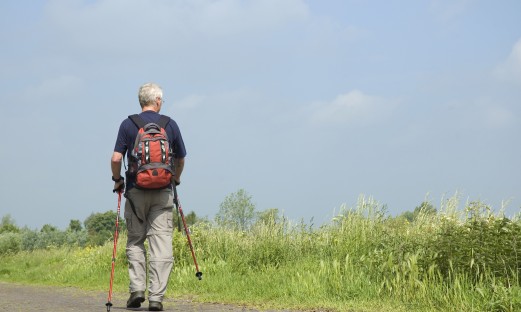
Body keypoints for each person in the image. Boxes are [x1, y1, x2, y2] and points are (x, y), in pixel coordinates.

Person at [110, 82, 186, 311]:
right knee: (161, 244)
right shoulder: (169, 125)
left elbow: (116, 159)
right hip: (163, 193)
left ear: (141, 101)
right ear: (158, 101)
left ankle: (137, 290)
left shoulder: (128, 124)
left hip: (135, 193)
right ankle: (156, 298)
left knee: (135, 240)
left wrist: (117, 180)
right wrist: (176, 178)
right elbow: (181, 159)